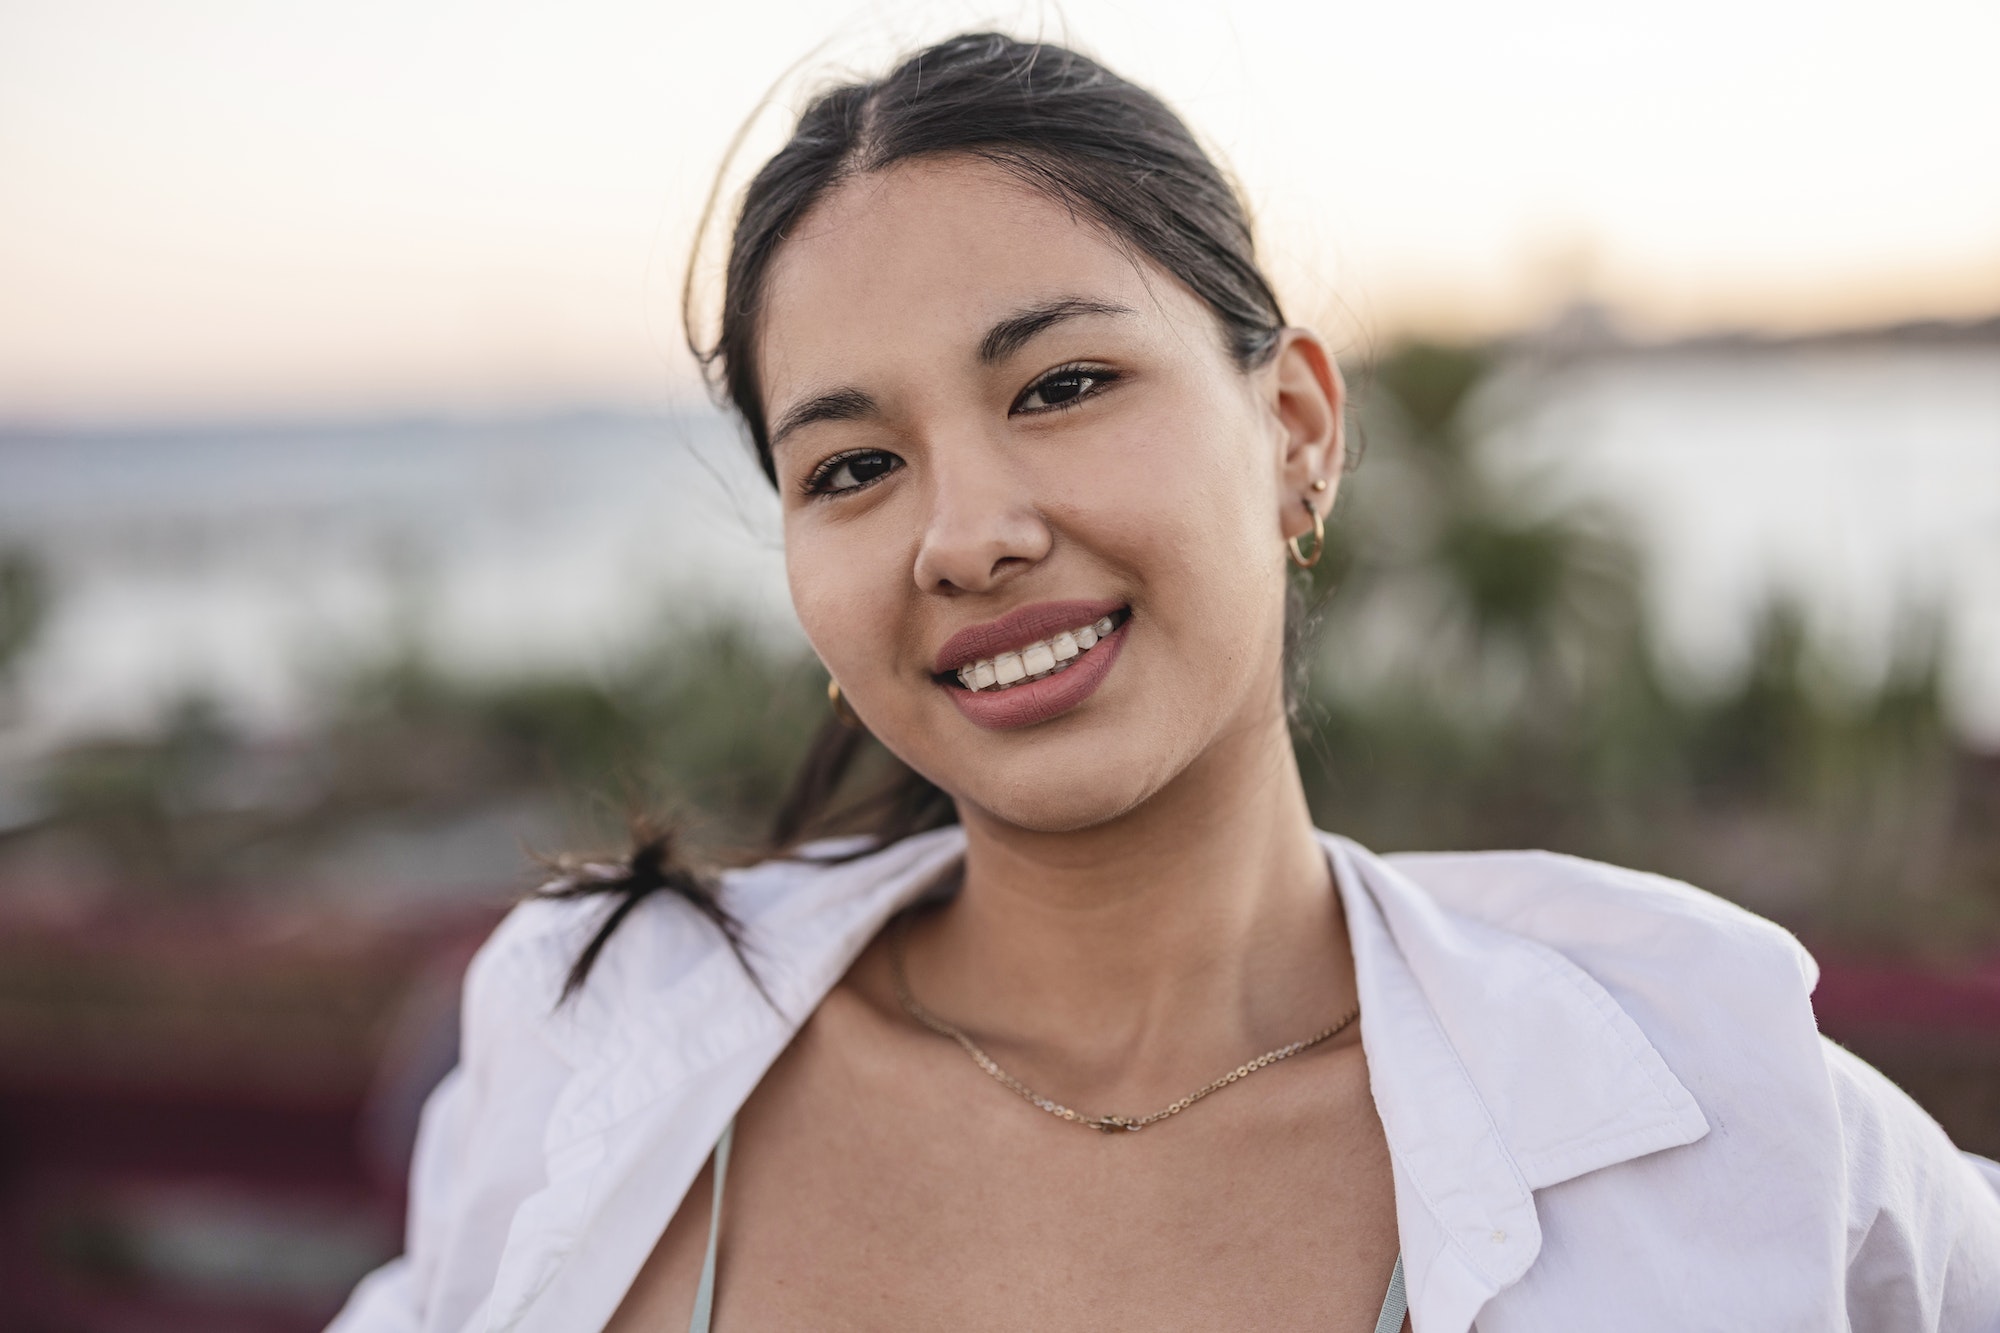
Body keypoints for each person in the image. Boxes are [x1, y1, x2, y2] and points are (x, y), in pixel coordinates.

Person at [329, 31, 2000, 1333]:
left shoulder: (1700, 1124)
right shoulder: (597, 1049)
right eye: (849, 467)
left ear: (1296, 431)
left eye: (1060, 383)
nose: (967, 536)